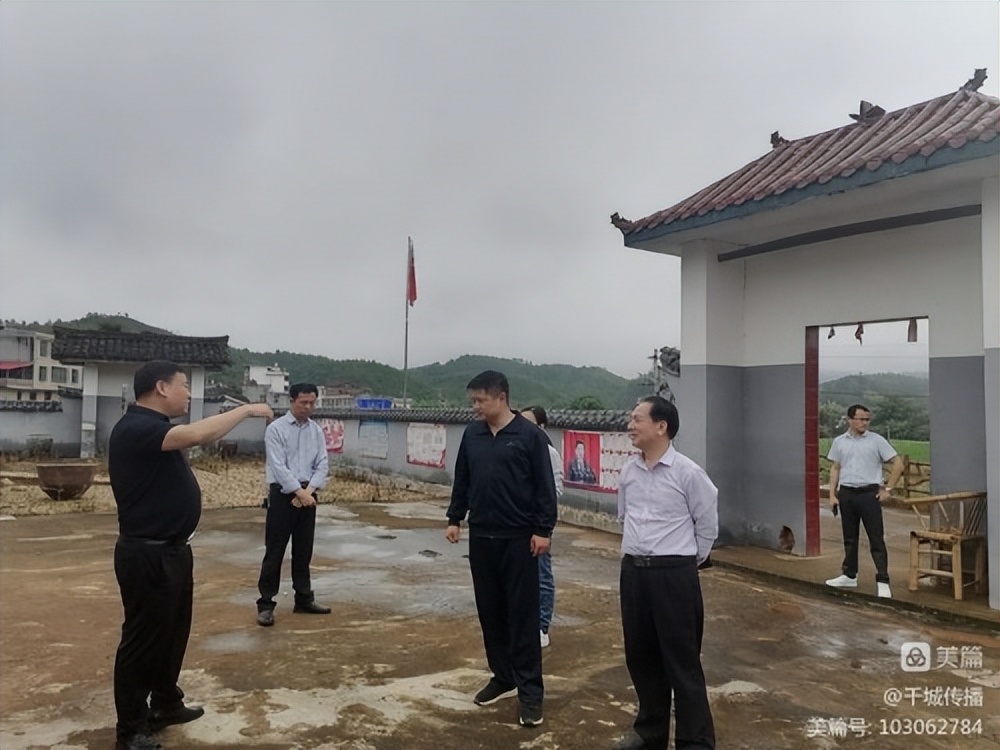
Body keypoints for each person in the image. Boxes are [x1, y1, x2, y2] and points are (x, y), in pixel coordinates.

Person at [108, 361, 273, 750]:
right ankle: (131, 730)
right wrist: (248, 410)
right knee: (142, 642)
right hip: (147, 555)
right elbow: (198, 434)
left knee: (172, 634)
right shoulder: (136, 427)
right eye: (184, 385)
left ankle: (166, 703)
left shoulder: (157, 427)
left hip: (173, 550)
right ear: (161, 387)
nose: (189, 393)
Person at [445, 371, 557, 729]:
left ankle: (530, 693)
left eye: (480, 400)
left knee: (522, 616)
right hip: (482, 537)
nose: (475, 407)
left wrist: (543, 530)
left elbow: (544, 486)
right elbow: (463, 478)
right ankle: (503, 676)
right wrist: (454, 517)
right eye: (473, 400)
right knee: (490, 611)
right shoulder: (473, 434)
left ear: (501, 398)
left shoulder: (529, 436)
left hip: (519, 539)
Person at [612, 396, 717, 750]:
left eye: (637, 418)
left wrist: (685, 563)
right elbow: (624, 516)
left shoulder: (688, 473)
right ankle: (650, 732)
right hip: (634, 573)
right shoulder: (629, 471)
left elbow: (707, 524)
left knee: (681, 660)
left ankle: (695, 740)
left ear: (661, 426)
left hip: (673, 575)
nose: (630, 425)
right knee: (640, 656)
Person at [256, 383, 331, 626]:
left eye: (312, 403)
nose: (307, 407)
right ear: (291, 401)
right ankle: (266, 603)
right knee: (275, 550)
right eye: (303, 402)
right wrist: (298, 492)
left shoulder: (316, 431)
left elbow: (322, 463)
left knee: (303, 550)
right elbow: (278, 466)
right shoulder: (276, 429)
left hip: (308, 493)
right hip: (282, 495)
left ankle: (304, 598)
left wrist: (308, 492)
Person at [825, 403, 904, 598]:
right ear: (850, 420)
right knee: (849, 538)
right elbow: (836, 467)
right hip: (847, 493)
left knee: (876, 538)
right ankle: (849, 575)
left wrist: (888, 489)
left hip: (869, 494)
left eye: (867, 419)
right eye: (861, 419)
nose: (865, 423)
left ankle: (883, 580)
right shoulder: (839, 442)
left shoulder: (876, 441)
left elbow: (898, 464)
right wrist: (832, 494)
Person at [519, 405, 563, 648]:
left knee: (541, 574)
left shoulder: (548, 453)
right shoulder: (514, 447)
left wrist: (540, 515)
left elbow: (555, 489)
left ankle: (541, 625)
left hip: (537, 523)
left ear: (541, 426)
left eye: (529, 422)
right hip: (514, 522)